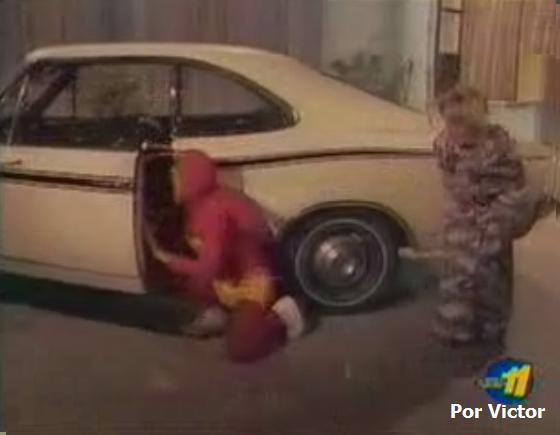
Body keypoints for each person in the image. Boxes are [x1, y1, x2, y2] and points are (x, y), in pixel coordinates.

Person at [145, 150, 306, 363]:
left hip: (253, 280)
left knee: (241, 348)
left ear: (192, 180)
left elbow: (210, 266)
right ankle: (223, 313)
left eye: (176, 177)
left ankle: (283, 316)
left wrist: (167, 259)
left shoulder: (213, 212)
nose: (172, 182)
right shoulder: (200, 203)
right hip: (230, 277)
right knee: (188, 285)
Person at [430, 86, 538, 346]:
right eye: (449, 121)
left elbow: (515, 193)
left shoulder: (500, 150)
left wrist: (493, 225)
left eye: (459, 122)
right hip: (459, 222)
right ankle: (456, 327)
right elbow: (451, 180)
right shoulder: (445, 144)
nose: (453, 129)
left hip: (493, 222)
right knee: (456, 276)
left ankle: (491, 328)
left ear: (475, 122)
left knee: (489, 279)